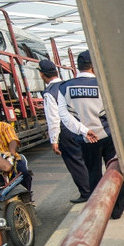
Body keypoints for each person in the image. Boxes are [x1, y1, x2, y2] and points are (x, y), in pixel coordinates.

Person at [58, 50, 124, 219]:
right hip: (108, 134)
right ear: (94, 66)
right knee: (116, 170)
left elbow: (64, 115)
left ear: (78, 67)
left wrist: (84, 130)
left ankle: (100, 211)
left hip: (86, 139)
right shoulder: (104, 84)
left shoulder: (65, 87)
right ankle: (116, 211)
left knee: (93, 173)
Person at [39, 59, 92, 203]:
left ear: (42, 75)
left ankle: (87, 193)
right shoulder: (68, 85)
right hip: (80, 127)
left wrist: (54, 140)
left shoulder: (49, 92)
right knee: (86, 160)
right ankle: (94, 187)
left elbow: (53, 118)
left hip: (66, 131)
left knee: (74, 162)